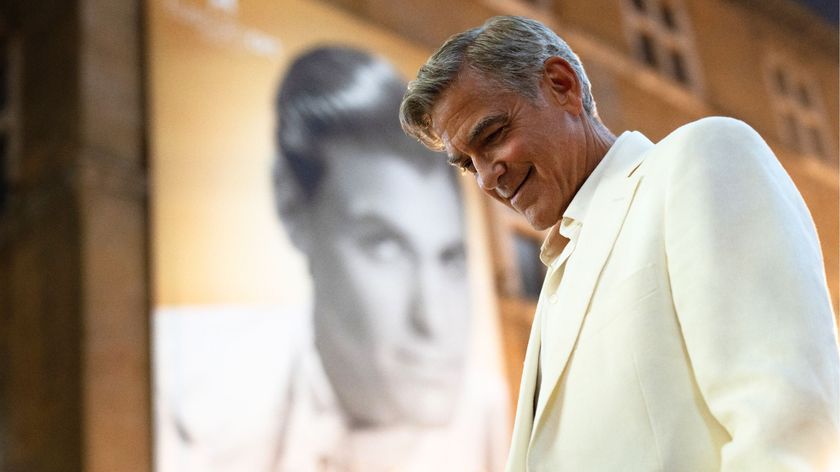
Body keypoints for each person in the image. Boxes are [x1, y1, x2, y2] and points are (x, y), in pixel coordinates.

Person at [399, 15, 840, 472]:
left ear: (561, 84)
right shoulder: (558, 276)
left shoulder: (702, 156)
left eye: (491, 137)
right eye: (469, 165)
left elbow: (787, 425)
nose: (488, 177)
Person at [155, 45, 509, 472]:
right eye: (385, 248)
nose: (432, 322)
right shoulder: (183, 383)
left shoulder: (490, 415)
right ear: (291, 208)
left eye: (449, 259)